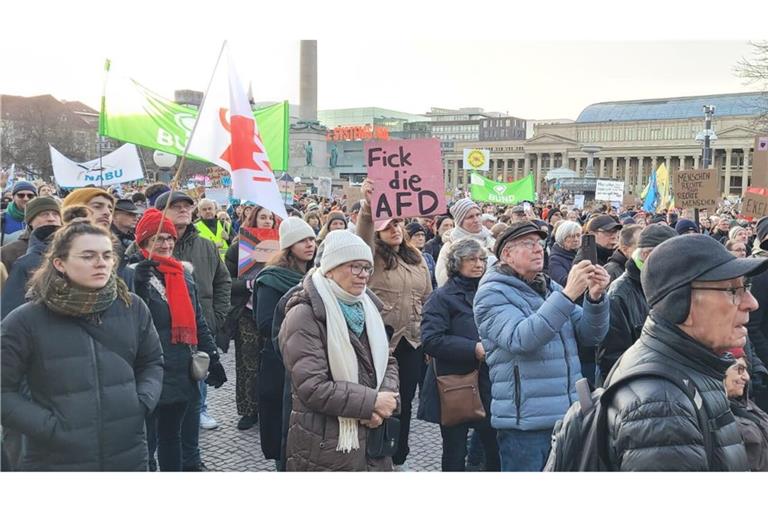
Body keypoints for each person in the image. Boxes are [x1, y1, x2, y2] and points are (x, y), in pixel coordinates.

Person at [1, 221, 164, 470]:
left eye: (107, 255)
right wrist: (48, 427)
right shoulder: (25, 320)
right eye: (88, 256)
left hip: (126, 451)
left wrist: (141, 403)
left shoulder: (132, 306)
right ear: (59, 263)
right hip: (54, 458)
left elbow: (152, 362)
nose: (101, 262)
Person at [602, 234, 768, 471]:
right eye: (733, 290)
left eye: (746, 287)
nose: (751, 303)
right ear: (680, 303)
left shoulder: (687, 369)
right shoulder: (663, 406)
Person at [473, 221, 610, 471]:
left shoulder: (548, 288)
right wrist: (568, 294)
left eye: (539, 243)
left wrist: (595, 297)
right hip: (526, 425)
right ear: (507, 254)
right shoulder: (491, 294)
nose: (538, 250)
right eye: (528, 244)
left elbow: (591, 335)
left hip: (569, 416)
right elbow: (522, 339)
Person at [279, 230, 399, 471]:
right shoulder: (304, 315)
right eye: (355, 267)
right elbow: (313, 386)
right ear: (331, 269)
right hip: (325, 443)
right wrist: (371, 403)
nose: (363, 275)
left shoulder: (368, 308)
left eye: (366, 268)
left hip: (372, 439)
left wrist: (384, 400)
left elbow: (389, 361)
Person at [129, 209, 224, 471]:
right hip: (148, 369)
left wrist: (212, 356)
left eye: (169, 238)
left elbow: (197, 319)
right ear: (143, 243)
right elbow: (130, 320)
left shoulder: (183, 274)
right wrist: (137, 285)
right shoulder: (133, 275)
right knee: (147, 441)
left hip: (181, 369)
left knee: (173, 438)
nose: (166, 244)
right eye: (158, 238)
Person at [151, 191, 231, 465]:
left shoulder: (205, 246)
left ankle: (192, 462)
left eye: (188, 205)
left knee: (191, 410)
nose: (184, 209)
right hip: (160, 354)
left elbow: (222, 281)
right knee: (161, 430)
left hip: (197, 337)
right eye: (176, 205)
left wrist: (216, 316)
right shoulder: (141, 261)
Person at [358, 180, 432, 470]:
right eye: (388, 224)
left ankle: (397, 452)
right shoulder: (370, 256)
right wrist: (367, 207)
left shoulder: (417, 259)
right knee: (378, 399)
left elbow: (427, 296)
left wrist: (427, 334)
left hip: (411, 341)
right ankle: (374, 450)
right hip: (379, 342)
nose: (395, 229)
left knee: (405, 399)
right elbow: (362, 236)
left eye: (399, 223)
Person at [419, 238, 499, 472]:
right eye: (471, 259)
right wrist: (472, 349)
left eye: (481, 259)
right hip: (456, 384)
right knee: (455, 451)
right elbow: (431, 340)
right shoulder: (441, 297)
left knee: (494, 448)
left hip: (489, 382)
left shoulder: (489, 292)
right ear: (456, 263)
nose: (478, 264)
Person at [254, 217, 316, 463]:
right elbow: (266, 323)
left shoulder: (316, 275)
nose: (310, 244)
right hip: (280, 362)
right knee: (283, 428)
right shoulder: (271, 278)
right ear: (289, 245)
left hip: (308, 360)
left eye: (312, 239)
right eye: (303, 240)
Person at [597, 224, 677, 378]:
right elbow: (612, 357)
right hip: (638, 385)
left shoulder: (671, 285)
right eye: (670, 255)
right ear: (647, 255)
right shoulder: (619, 294)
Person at [224, 205, 277, 431]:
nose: (267, 221)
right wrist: (247, 283)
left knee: (271, 365)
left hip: (273, 313)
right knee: (248, 365)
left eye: (270, 218)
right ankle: (248, 410)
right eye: (262, 217)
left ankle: (268, 409)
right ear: (253, 219)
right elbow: (225, 282)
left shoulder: (281, 246)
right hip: (247, 313)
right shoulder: (238, 248)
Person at [722, 347, 768, 471]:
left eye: (746, 370)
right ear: (721, 370)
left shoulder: (747, 404)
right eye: (739, 369)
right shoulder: (719, 415)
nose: (747, 377)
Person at [436, 198, 496, 287]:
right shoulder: (450, 246)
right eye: (470, 217)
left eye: (478, 215)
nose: (476, 219)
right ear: (460, 222)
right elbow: (443, 280)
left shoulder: (491, 240)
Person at [1, 196, 61, 273]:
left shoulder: (73, 246)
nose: (51, 218)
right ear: (30, 221)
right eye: (44, 214)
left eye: (55, 214)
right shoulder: (8, 253)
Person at [547, 220, 582, 287]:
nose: (576, 239)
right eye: (571, 236)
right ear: (562, 237)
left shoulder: (581, 253)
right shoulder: (555, 259)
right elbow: (563, 282)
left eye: (578, 235)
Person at [1, 181, 37, 246]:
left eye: (30, 195)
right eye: (21, 195)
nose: (26, 198)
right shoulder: (2, 219)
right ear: (13, 197)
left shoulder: (46, 218)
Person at [406, 221, 437, 290]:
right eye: (417, 235)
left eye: (423, 235)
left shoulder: (428, 257)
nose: (421, 238)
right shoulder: (403, 257)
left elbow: (434, 281)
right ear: (408, 238)